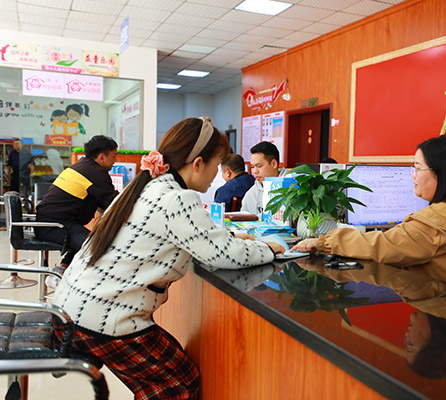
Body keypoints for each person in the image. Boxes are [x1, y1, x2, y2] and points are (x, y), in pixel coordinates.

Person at [52, 117, 285, 399]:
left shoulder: (146, 187)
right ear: (197, 163)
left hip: (71, 308)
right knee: (178, 383)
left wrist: (233, 237)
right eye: (216, 165)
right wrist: (271, 248)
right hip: (99, 319)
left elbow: (195, 236)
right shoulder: (177, 199)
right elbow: (223, 254)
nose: (216, 174)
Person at [292, 135, 446, 298]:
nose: (413, 176)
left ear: (440, 174)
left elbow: (381, 246)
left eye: (417, 168)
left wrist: (323, 242)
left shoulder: (434, 223)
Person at [35, 135, 119, 267]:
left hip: (47, 223)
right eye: (114, 156)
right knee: (97, 247)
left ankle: (63, 267)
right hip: (56, 227)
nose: (115, 160)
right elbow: (115, 203)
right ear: (102, 157)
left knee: (91, 237)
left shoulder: (80, 166)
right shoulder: (96, 173)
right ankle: (71, 274)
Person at [241, 141, 286, 215]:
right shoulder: (250, 194)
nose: (255, 171)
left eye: (259, 166)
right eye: (252, 167)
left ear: (274, 164)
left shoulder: (292, 187)